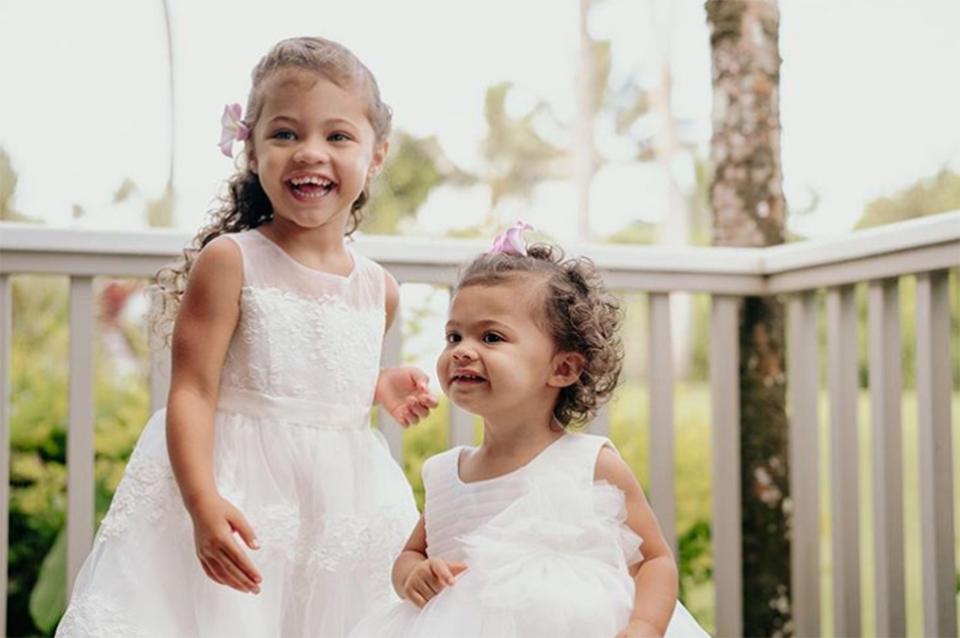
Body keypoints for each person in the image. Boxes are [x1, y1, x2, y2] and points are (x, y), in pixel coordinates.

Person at [56, 36, 436, 638]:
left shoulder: (378, 289)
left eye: (337, 136)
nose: (310, 152)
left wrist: (378, 385)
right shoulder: (232, 261)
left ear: (377, 154)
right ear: (253, 152)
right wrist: (202, 505)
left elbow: (305, 384)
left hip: (341, 509)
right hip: (237, 495)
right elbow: (194, 392)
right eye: (286, 134)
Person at [351, 221, 709, 638]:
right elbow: (410, 555)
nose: (462, 351)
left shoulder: (591, 464)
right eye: (454, 336)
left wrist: (644, 627)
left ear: (562, 368)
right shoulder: (448, 475)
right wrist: (413, 576)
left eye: (491, 337)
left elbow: (654, 561)